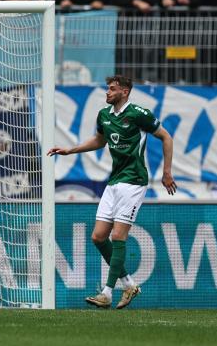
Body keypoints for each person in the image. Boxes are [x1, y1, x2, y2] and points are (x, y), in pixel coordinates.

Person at [48, 75, 175, 309]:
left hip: (134, 180)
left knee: (118, 236)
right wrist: (70, 150)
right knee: (98, 237)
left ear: (124, 92)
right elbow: (99, 141)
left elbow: (166, 137)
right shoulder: (104, 115)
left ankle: (106, 293)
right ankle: (128, 284)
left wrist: (166, 172)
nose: (107, 92)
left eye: (112, 89)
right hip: (114, 180)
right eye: (107, 88)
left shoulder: (139, 114)